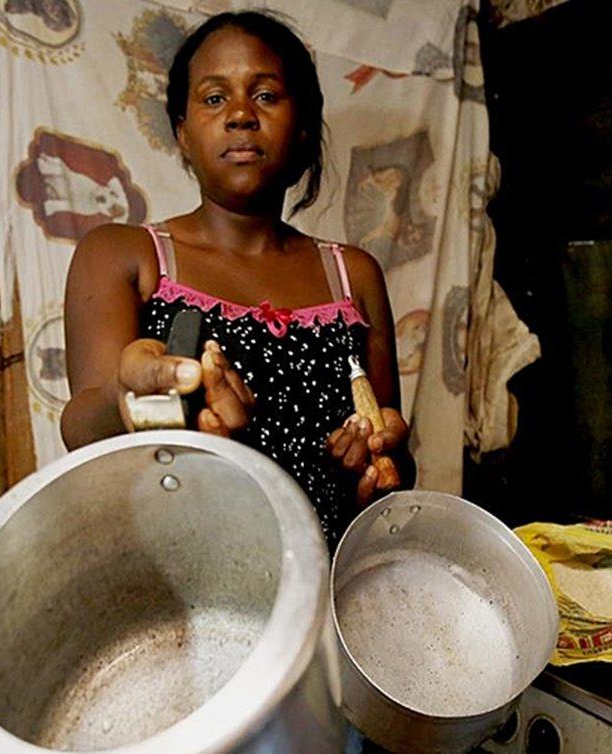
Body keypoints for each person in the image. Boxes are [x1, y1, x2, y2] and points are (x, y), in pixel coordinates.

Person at [60, 11, 414, 547]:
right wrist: (135, 393)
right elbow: (82, 432)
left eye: (267, 96)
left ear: (300, 128)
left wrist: (375, 463)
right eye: (213, 97)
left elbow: (391, 457)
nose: (241, 115)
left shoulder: (351, 274)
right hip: (186, 584)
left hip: (328, 584)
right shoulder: (126, 256)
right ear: (181, 131)